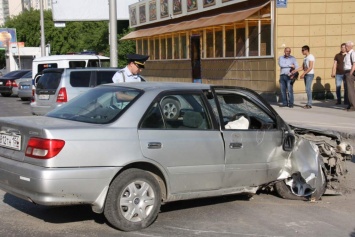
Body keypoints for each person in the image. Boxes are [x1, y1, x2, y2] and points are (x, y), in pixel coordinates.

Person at [343, 41, 355, 112]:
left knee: (350, 90)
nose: (345, 48)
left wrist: (351, 73)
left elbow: (354, 63)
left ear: (350, 46)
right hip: (347, 72)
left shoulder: (353, 53)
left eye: (346, 46)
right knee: (348, 89)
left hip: (350, 72)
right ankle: (350, 104)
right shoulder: (347, 54)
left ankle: (353, 106)